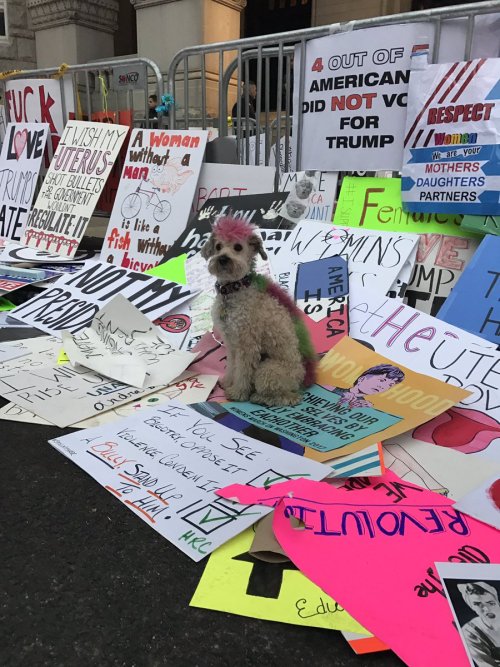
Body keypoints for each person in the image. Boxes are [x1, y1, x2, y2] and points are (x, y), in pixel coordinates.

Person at [458, 582, 500, 667]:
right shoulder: (470, 633)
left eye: (491, 603)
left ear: (497, 602)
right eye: (477, 604)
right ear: (471, 606)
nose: (486, 609)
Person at [331, 364, 405, 409]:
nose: (383, 386)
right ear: (362, 379)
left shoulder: (364, 405)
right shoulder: (330, 388)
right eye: (382, 380)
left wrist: (368, 409)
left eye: (390, 385)